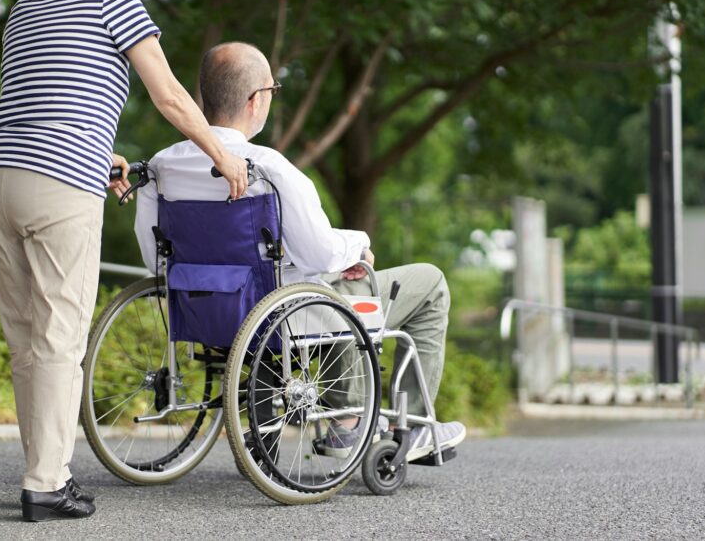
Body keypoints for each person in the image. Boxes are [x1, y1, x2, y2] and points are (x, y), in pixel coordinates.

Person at [0, 0, 249, 523]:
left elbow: (44, 101)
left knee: (28, 340)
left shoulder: (24, 13)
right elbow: (171, 95)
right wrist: (221, 155)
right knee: (59, 336)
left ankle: (42, 471)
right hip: (56, 183)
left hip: (1, 176)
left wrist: (103, 156)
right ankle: (46, 484)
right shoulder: (113, 1)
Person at [134, 42, 465, 463]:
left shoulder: (163, 165)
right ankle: (410, 425)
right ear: (256, 101)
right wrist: (359, 244)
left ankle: (347, 421)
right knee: (421, 280)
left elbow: (155, 258)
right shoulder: (268, 167)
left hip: (204, 311)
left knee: (334, 277)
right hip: (283, 315)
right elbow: (321, 253)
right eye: (272, 90)